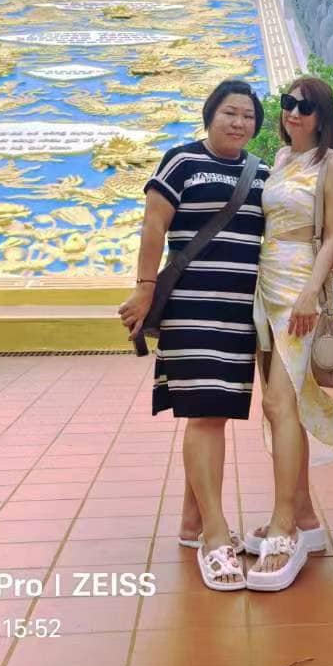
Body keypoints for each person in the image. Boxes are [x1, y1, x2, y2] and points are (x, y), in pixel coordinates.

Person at [118, 78, 268, 593]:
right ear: (210, 115)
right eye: (230, 112)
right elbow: (153, 227)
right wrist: (144, 288)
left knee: (215, 413)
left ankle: (191, 523)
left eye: (248, 116)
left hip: (239, 314)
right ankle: (215, 535)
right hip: (191, 309)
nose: (238, 122)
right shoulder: (182, 161)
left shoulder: (262, 173)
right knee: (204, 414)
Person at [245, 76, 333, 592]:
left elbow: (332, 234)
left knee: (278, 401)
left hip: (298, 289)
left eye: (305, 107)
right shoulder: (281, 158)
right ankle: (305, 517)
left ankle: (284, 526)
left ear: (322, 115)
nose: (293, 113)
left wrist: (312, 292)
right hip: (264, 286)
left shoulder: (330, 164)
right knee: (278, 406)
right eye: (288, 104)